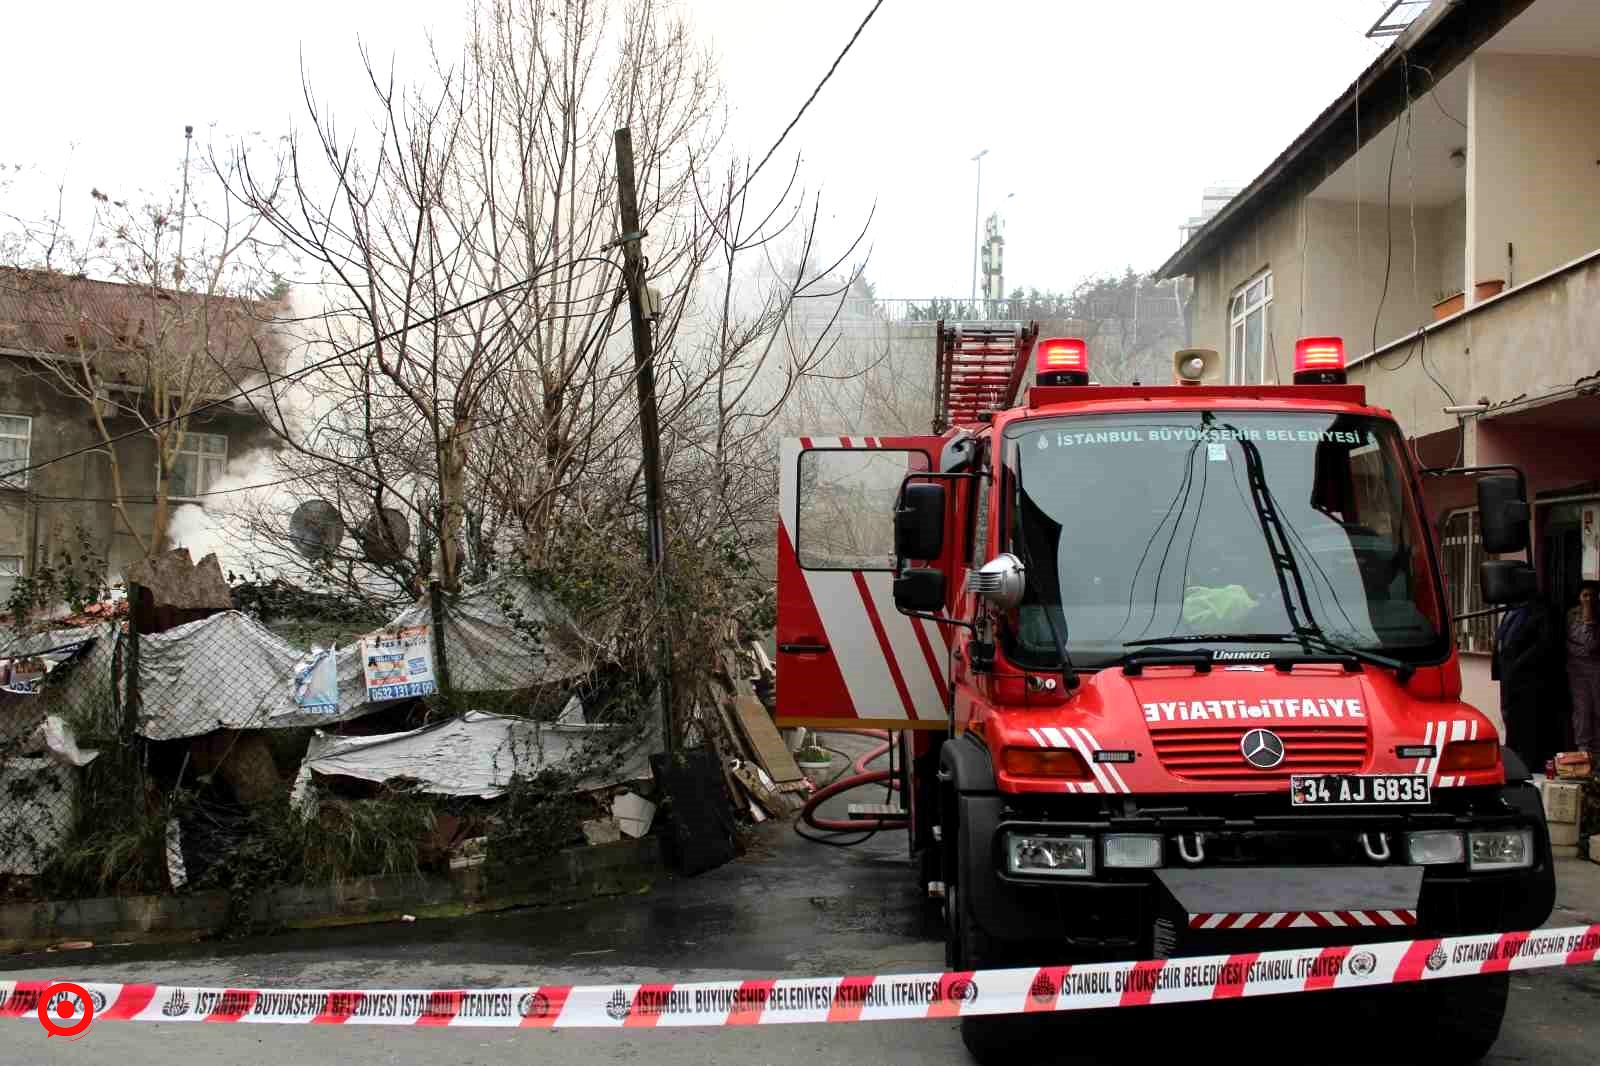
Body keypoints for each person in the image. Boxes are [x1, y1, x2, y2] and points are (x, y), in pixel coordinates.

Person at [1491, 594, 1559, 771]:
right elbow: (1502, 643)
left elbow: (1542, 644)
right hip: (1509, 680)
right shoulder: (1510, 611)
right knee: (1511, 722)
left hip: (1528, 681)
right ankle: (1513, 764)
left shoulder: (1539, 611)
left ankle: (1527, 766)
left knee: (1527, 726)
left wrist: (1517, 666)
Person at [1568, 581, 1600, 756]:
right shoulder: (1572, 615)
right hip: (1577, 670)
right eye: (1585, 595)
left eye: (1592, 595)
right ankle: (1584, 752)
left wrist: (1590, 620)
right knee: (1582, 711)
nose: (1589, 599)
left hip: (1596, 669)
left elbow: (1591, 644)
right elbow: (1572, 644)